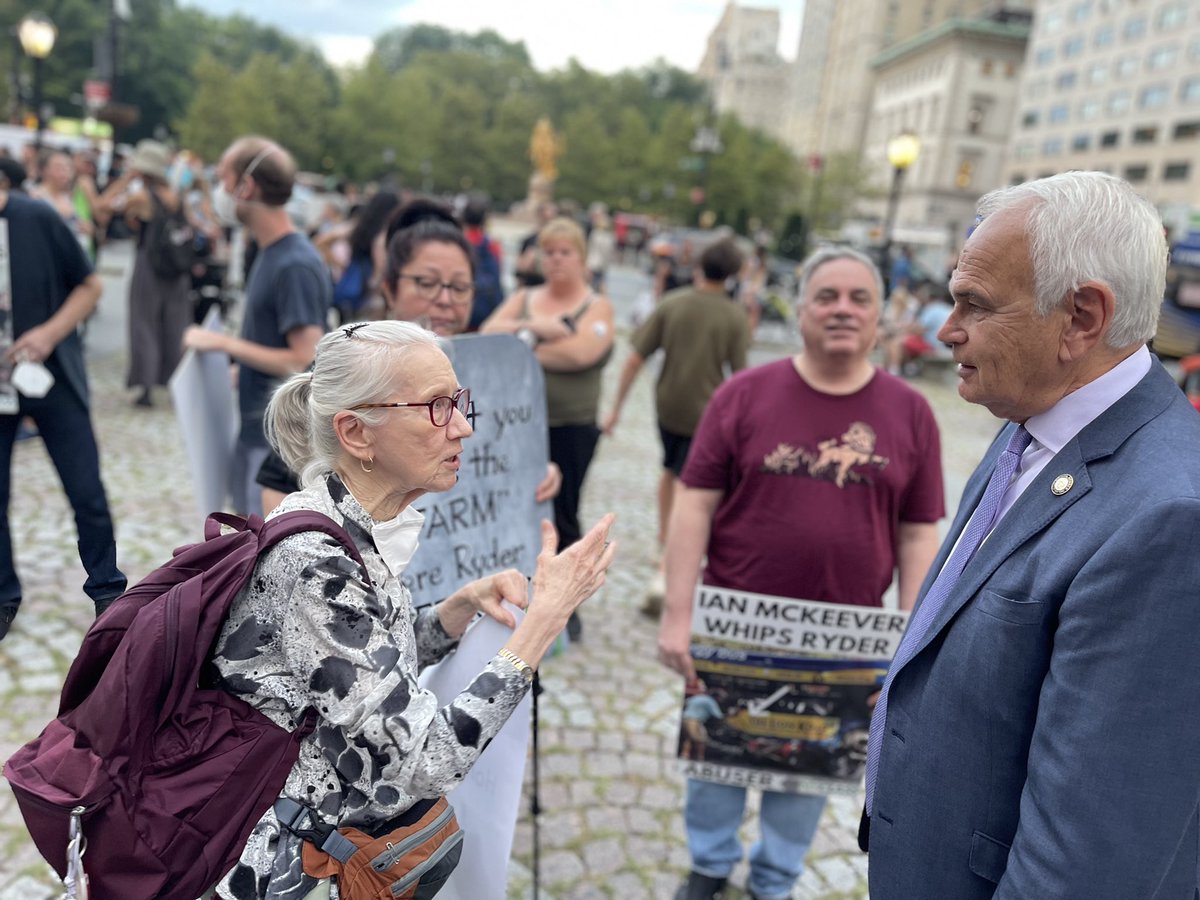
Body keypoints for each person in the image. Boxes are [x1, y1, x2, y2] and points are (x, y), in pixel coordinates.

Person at [864, 172, 1200, 899]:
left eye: (974, 305)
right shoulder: (1030, 415)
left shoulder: (1170, 520)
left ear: (1081, 318)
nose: (946, 329)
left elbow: (1089, 862)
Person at [205, 321, 617, 899]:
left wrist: (453, 612)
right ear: (355, 433)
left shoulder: (347, 526)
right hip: (276, 874)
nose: (464, 428)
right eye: (436, 408)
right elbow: (421, 761)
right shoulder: (314, 562)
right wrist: (544, 621)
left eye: (458, 402)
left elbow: (354, 677)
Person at [658, 246, 944, 900]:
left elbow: (918, 529)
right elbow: (693, 503)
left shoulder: (911, 412)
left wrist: (911, 630)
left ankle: (775, 880)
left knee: (810, 768)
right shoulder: (742, 395)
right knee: (717, 758)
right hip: (736, 621)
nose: (842, 309)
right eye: (827, 296)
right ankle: (708, 865)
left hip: (844, 636)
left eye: (859, 298)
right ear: (802, 308)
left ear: (880, 316)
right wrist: (678, 613)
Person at [256, 199, 562, 514]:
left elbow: (500, 456)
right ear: (389, 288)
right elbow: (277, 492)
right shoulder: (349, 366)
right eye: (426, 283)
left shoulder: (490, 369)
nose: (445, 300)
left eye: (459, 287)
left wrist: (531, 471)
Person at [0, 183, 127, 640]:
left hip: (50, 375)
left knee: (85, 488)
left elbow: (91, 286)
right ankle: (3, 595)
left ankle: (108, 589)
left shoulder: (36, 217)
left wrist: (48, 334)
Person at [481, 217, 616, 640]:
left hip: (569, 424)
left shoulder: (596, 304)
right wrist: (538, 330)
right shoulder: (526, 297)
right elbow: (487, 334)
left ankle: (567, 603)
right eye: (550, 251)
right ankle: (513, 586)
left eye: (565, 252)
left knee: (564, 509)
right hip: (516, 423)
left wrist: (522, 347)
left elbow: (581, 353)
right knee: (515, 505)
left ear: (580, 257)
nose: (556, 260)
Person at [182, 136, 330, 518]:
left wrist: (224, 344)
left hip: (273, 447)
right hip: (255, 432)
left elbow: (303, 358)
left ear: (246, 187)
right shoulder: (272, 252)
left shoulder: (294, 263)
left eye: (223, 178)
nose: (219, 191)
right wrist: (241, 367)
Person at [603, 237, 749, 616]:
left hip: (668, 405)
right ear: (733, 274)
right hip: (708, 412)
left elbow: (635, 358)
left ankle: (664, 539)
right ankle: (669, 566)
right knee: (692, 483)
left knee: (671, 471)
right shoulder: (734, 316)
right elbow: (741, 377)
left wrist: (617, 408)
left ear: (699, 266)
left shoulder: (672, 303)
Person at [101, 139, 193, 408]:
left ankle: (146, 385)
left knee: (145, 323)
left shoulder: (141, 197)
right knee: (174, 325)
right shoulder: (176, 195)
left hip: (149, 265)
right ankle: (173, 380)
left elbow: (103, 206)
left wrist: (125, 180)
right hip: (176, 269)